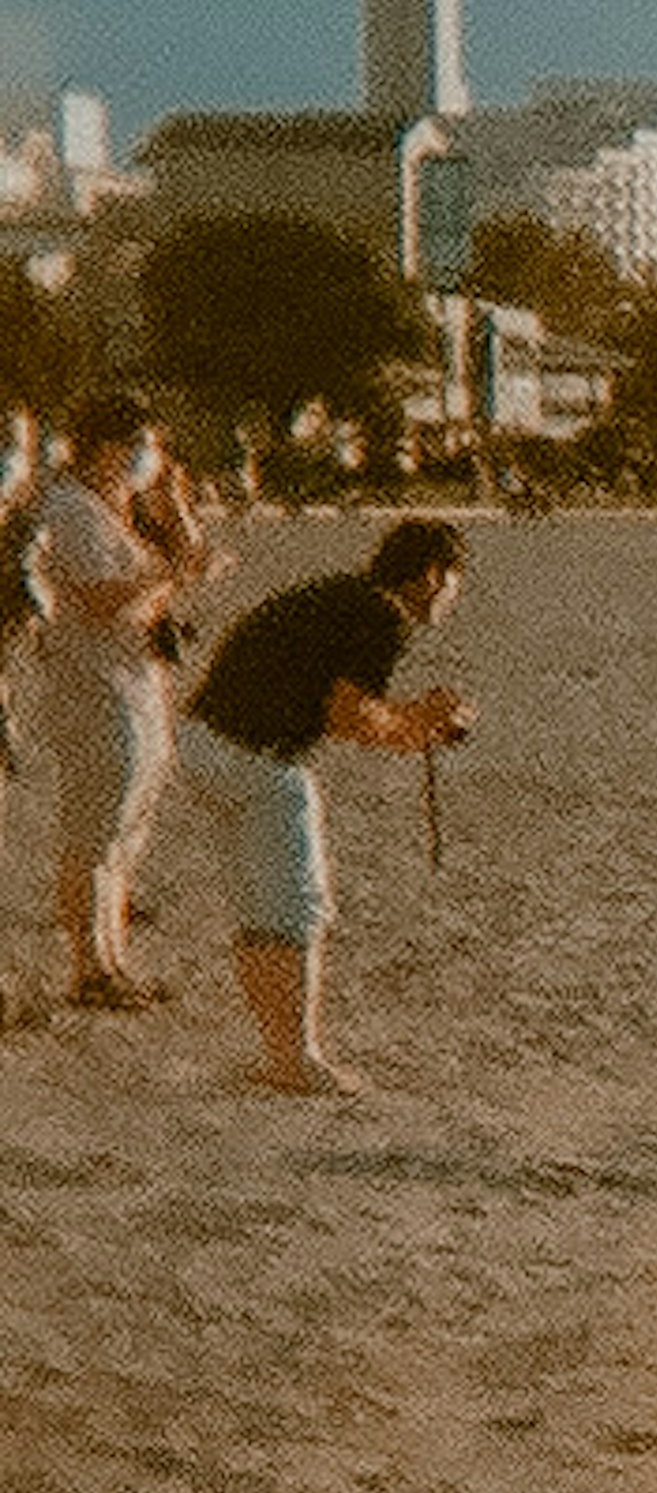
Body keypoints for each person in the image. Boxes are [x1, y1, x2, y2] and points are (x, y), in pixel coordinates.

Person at [177, 514, 472, 1095]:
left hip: (202, 741)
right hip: (254, 753)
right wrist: (419, 723)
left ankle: (277, 1052)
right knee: (296, 907)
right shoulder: (383, 616)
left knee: (260, 907)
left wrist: (412, 723)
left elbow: (343, 708)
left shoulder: (345, 596)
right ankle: (296, 1057)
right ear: (432, 576)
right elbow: (349, 717)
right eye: (454, 580)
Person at [27, 396, 216, 1008]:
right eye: (143, 446)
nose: (149, 459)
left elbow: (161, 572)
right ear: (110, 446)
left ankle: (112, 958)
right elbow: (102, 597)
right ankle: (89, 966)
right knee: (95, 828)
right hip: (92, 687)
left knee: (126, 830)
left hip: (133, 680)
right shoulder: (71, 509)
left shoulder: (114, 510)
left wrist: (175, 518)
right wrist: (173, 574)